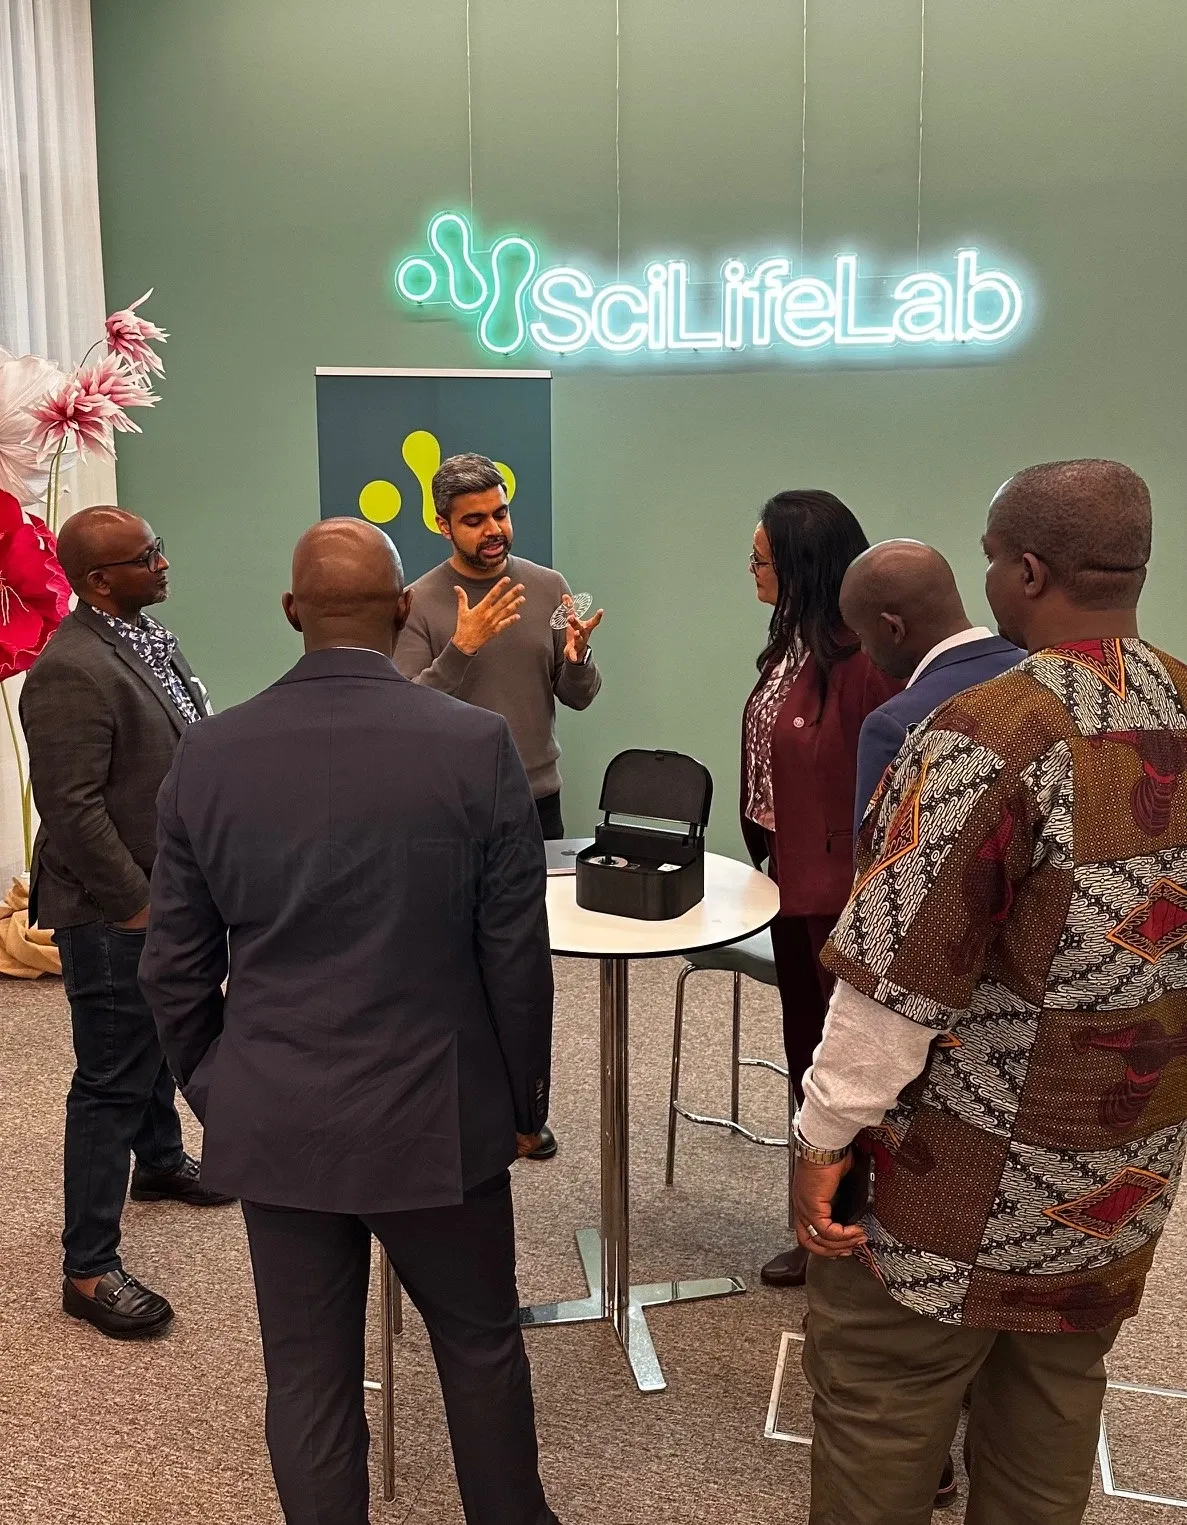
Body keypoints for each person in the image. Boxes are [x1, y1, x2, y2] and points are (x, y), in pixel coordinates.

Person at [140, 518, 560, 1525]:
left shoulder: (208, 753)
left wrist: (220, 1086)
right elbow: (514, 954)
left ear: (291, 614)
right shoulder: (473, 744)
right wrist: (521, 1103)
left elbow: (174, 967)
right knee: (478, 1343)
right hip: (439, 1113)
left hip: (278, 1113)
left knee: (307, 1376)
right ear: (406, 608)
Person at [791, 459, 1187, 1525]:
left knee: (882, 1410)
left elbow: (896, 979)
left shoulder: (986, 730)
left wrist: (822, 1141)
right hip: (1119, 1178)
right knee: (1047, 1419)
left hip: (952, 1190)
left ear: (1023, 570)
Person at [838, 537, 1024, 1510]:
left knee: (907, 1305)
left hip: (945, 1059)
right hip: (1053, 1064)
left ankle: (928, 1460)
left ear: (892, 630)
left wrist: (830, 1121)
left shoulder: (903, 720)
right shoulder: (1053, 692)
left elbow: (888, 925)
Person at [20, 506, 229, 1342]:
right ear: (101, 579)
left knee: (150, 1036)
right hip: (112, 904)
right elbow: (67, 807)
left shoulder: (146, 637)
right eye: (149, 556)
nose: (165, 561)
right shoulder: (69, 669)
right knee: (109, 1072)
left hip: (165, 885)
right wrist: (137, 904)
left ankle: (161, 1162)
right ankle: (89, 1267)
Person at [396, 452, 603, 1161]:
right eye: (474, 519)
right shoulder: (419, 600)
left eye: (500, 512)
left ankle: (523, 1112)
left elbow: (576, 695)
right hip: (448, 811)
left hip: (533, 801)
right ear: (441, 523)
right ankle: (452, 1104)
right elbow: (404, 710)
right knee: (450, 964)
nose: (493, 529)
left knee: (523, 969)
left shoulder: (547, 586)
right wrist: (462, 646)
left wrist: (577, 659)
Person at [739, 490, 901, 1289]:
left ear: (802, 567)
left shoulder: (863, 661)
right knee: (809, 1054)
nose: (749, 569)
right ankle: (826, 1219)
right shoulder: (793, 644)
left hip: (840, 896)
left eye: (761, 558)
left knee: (842, 1063)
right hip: (791, 884)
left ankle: (845, 1227)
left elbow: (887, 789)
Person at [840, 539, 1024, 832]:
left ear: (893, 629)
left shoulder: (894, 726)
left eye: (862, 635)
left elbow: (876, 869)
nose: (863, 650)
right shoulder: (1042, 674)